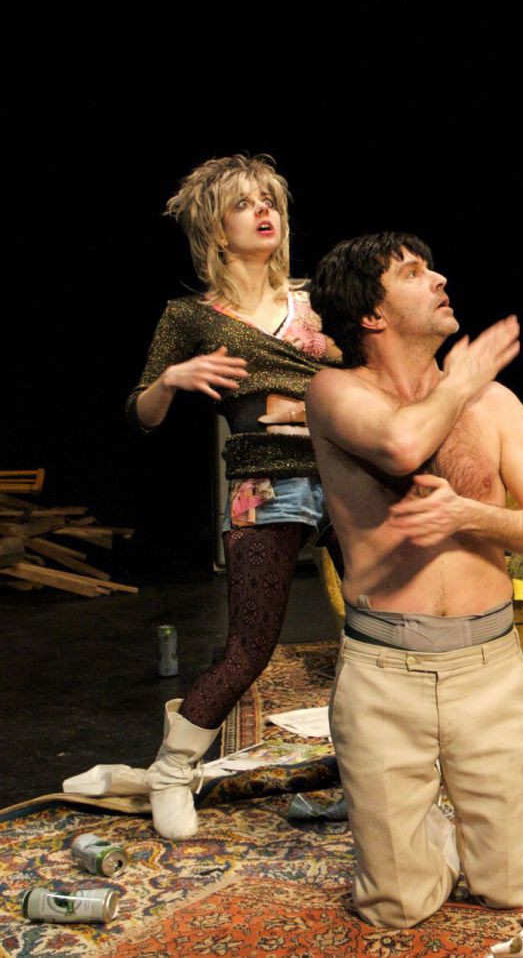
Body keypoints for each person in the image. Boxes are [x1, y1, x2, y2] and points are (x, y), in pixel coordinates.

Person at [305, 232, 523, 928]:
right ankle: (428, 836)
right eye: (415, 273)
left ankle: (489, 836)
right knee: (394, 908)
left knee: (514, 889)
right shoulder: (332, 392)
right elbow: (401, 444)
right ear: (371, 314)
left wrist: (470, 514)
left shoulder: (496, 405)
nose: (440, 278)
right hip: (384, 674)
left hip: (489, 667)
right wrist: (458, 381)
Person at [127, 154, 338, 840]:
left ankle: (370, 775)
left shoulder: (315, 300)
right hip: (263, 480)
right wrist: (173, 378)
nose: (262, 211)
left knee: (378, 636)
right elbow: (142, 413)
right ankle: (170, 771)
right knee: (250, 646)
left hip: (347, 470)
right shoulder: (190, 316)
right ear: (217, 231)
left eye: (269, 199)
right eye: (244, 204)